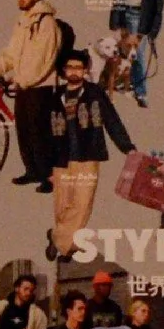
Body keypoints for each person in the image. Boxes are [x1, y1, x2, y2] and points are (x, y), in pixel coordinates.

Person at [0, 0, 69, 190]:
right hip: (24, 85)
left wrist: (20, 81)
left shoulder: (46, 23)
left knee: (40, 132)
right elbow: (11, 54)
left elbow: (41, 60)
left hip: (41, 86)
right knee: (24, 129)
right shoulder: (22, 22)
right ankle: (32, 170)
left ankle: (48, 177)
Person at [45, 51, 135, 260]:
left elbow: (112, 120)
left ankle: (60, 240)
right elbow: (45, 133)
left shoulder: (94, 93)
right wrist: (45, 167)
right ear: (64, 70)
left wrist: (127, 147)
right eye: (70, 67)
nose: (74, 71)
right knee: (62, 205)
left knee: (83, 204)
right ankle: (67, 241)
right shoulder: (55, 97)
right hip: (61, 159)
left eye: (78, 68)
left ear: (85, 71)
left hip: (88, 155)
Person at [109, 0, 164, 104]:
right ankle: (127, 84)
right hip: (127, 14)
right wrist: (115, 23)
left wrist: (154, 30)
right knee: (124, 53)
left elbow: (159, 6)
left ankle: (140, 91)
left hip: (142, 18)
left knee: (138, 55)